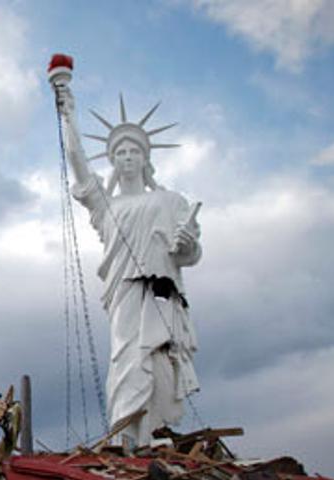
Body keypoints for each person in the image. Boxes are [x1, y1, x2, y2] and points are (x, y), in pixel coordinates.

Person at [53, 74, 201, 446]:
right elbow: (77, 162)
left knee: (162, 366)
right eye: (120, 153)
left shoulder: (170, 201)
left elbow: (189, 255)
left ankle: (153, 436)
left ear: (145, 158)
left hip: (163, 294)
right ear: (114, 161)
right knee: (128, 360)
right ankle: (126, 439)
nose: (127, 157)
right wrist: (67, 114)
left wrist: (184, 245)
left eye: (134, 151)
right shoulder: (108, 208)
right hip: (125, 295)